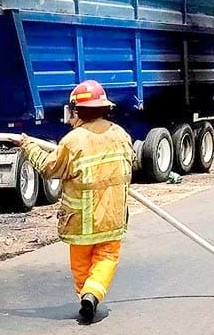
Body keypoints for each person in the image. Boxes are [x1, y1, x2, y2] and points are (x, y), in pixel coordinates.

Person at [20, 80, 133, 322]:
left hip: (80, 219)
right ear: (104, 108)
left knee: (81, 264)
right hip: (112, 217)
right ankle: (92, 294)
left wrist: (28, 147)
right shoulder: (120, 135)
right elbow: (129, 165)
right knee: (107, 258)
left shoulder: (73, 141)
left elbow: (50, 168)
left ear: (76, 110)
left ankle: (86, 294)